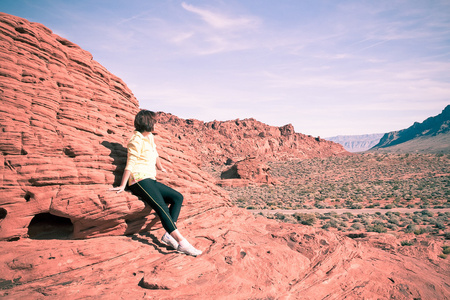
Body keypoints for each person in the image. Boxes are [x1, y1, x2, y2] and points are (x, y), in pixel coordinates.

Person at [110, 109, 202, 257]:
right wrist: (122, 185)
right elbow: (130, 163)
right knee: (162, 208)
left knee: (177, 197)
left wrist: (161, 167)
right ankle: (182, 243)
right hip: (139, 180)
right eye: (154, 121)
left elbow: (155, 153)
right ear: (147, 122)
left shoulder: (150, 137)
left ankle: (168, 235)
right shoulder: (136, 140)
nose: (156, 123)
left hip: (150, 178)